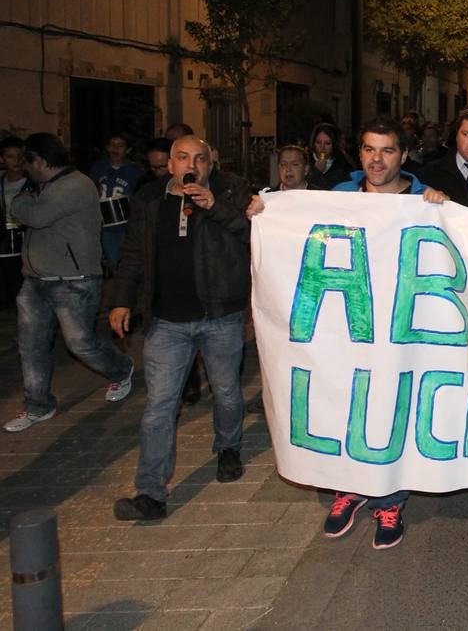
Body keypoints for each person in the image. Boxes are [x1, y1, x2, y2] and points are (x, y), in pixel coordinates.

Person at [247, 120, 448, 547]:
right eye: (369, 150)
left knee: (391, 406)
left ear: (404, 155)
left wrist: (442, 210)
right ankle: (348, 488)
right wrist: (266, 215)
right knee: (344, 402)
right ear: (359, 154)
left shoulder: (423, 200)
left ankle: (390, 498)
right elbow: (298, 231)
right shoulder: (337, 197)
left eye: (388, 151)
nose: (377, 159)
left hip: (396, 329)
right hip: (344, 326)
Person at [103, 135, 247, 519]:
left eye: (200, 158)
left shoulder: (230, 190)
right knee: (158, 408)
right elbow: (133, 254)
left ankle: (228, 447)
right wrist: (121, 299)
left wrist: (214, 205)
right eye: (183, 158)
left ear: (210, 164)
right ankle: (151, 493)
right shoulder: (149, 200)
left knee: (228, 394)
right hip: (166, 321)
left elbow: (249, 234)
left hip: (220, 315)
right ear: (169, 164)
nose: (192, 165)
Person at [4, 133, 135, 433]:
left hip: (73, 280)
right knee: (31, 346)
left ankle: (121, 368)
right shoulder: (45, 185)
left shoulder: (76, 184)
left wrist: (21, 202)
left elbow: (36, 216)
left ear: (41, 160)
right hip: (35, 280)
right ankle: (38, 405)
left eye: (27, 161)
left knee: (80, 344)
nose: (24, 168)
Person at [89, 133, 145, 273]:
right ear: (107, 148)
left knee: (128, 262)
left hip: (126, 225)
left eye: (120, 146)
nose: (115, 149)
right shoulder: (98, 168)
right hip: (105, 225)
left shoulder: (135, 171)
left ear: (128, 150)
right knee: (112, 261)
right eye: (112, 145)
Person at [1, 136, 30, 309]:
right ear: (2, 159)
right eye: (10, 156)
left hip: (26, 244)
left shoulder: (33, 183)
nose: (17, 161)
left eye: (20, 156)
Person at [307, 123, 352, 191]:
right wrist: (315, 171)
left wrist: (318, 173)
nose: (322, 147)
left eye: (327, 143)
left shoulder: (342, 165)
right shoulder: (305, 160)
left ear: (334, 145)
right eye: (318, 142)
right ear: (313, 143)